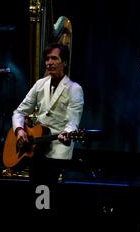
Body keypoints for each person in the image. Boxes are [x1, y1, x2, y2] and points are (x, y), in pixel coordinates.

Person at [12, 43, 84, 185]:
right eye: (47, 59)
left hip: (56, 150)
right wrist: (19, 130)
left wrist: (67, 133)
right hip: (35, 149)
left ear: (64, 62)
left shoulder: (74, 89)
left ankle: (45, 207)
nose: (49, 63)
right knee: (36, 188)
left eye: (54, 58)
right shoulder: (40, 84)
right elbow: (19, 112)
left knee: (47, 190)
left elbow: (73, 122)